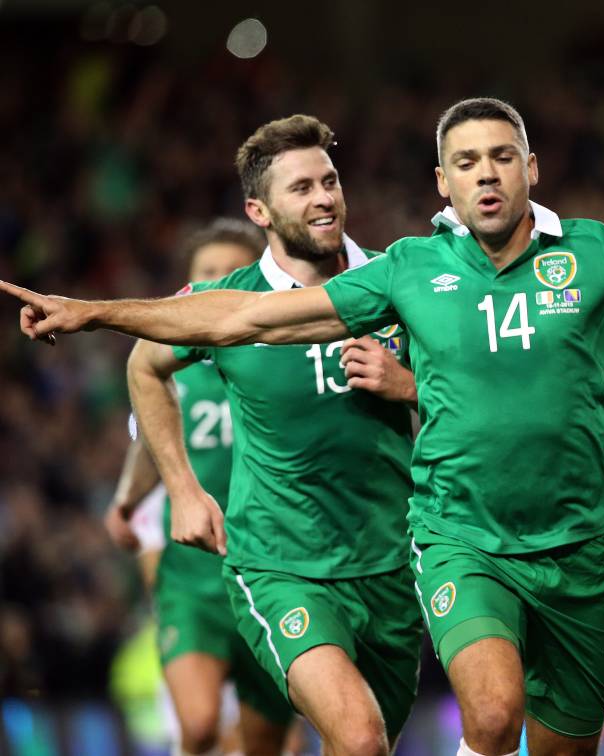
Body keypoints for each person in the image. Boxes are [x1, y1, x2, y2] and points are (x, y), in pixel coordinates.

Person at [1, 99, 604, 756]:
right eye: (463, 162)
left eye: (500, 157)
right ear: (440, 184)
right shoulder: (406, 271)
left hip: (578, 547)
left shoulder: (596, 257)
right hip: (455, 539)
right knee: (487, 711)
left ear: (531, 167)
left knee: (560, 741)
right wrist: (97, 313)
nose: (484, 174)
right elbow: (240, 319)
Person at [114, 116, 424, 755]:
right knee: (359, 738)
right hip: (280, 564)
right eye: (301, 188)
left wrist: (411, 386)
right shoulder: (226, 302)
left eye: (329, 181)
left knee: (362, 747)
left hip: (390, 565)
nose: (324, 198)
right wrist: (182, 490)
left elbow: (475, 391)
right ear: (259, 210)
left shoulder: (399, 281)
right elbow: (144, 364)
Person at [103, 219, 297, 756]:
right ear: (187, 287)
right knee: (199, 724)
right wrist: (126, 501)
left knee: (265, 743)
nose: (217, 283)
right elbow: (150, 448)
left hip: (271, 571)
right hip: (191, 581)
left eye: (231, 272)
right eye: (206, 273)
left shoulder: (284, 362)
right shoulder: (166, 369)